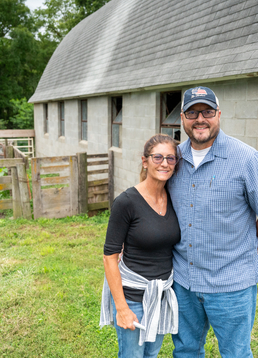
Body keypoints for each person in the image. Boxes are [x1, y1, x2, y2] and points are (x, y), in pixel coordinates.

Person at [167, 86, 258, 358]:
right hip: (184, 281)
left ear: (219, 114)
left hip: (231, 286)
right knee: (185, 351)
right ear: (182, 118)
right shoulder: (173, 160)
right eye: (192, 112)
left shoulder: (246, 159)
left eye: (207, 111)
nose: (200, 119)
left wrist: (243, 253)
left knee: (235, 354)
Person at [100, 134, 181, 358]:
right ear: (145, 161)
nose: (164, 163)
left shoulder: (174, 198)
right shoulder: (126, 202)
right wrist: (122, 308)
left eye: (170, 158)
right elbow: (109, 257)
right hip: (133, 299)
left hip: (161, 295)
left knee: (151, 355)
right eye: (157, 157)